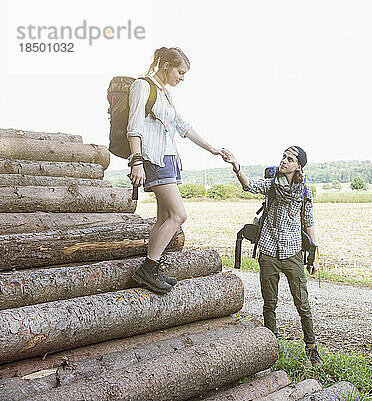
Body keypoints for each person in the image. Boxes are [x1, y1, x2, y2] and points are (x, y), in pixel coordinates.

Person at [127, 47, 224, 294]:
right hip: (153, 159)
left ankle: (153, 266)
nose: (182, 77)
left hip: (170, 159)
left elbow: (184, 127)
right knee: (179, 215)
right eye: (180, 72)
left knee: (163, 218)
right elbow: (134, 126)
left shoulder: (166, 95)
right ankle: (147, 269)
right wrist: (136, 160)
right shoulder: (143, 86)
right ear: (166, 65)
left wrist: (212, 149)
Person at [221, 146, 323, 366]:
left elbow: (309, 221)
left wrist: (314, 254)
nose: (283, 161)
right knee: (270, 303)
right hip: (268, 251)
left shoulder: (305, 190)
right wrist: (236, 166)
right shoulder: (272, 185)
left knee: (302, 303)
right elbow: (248, 186)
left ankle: (312, 348)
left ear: (298, 166)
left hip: (293, 251)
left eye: (289, 159)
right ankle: (271, 346)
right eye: (283, 157)